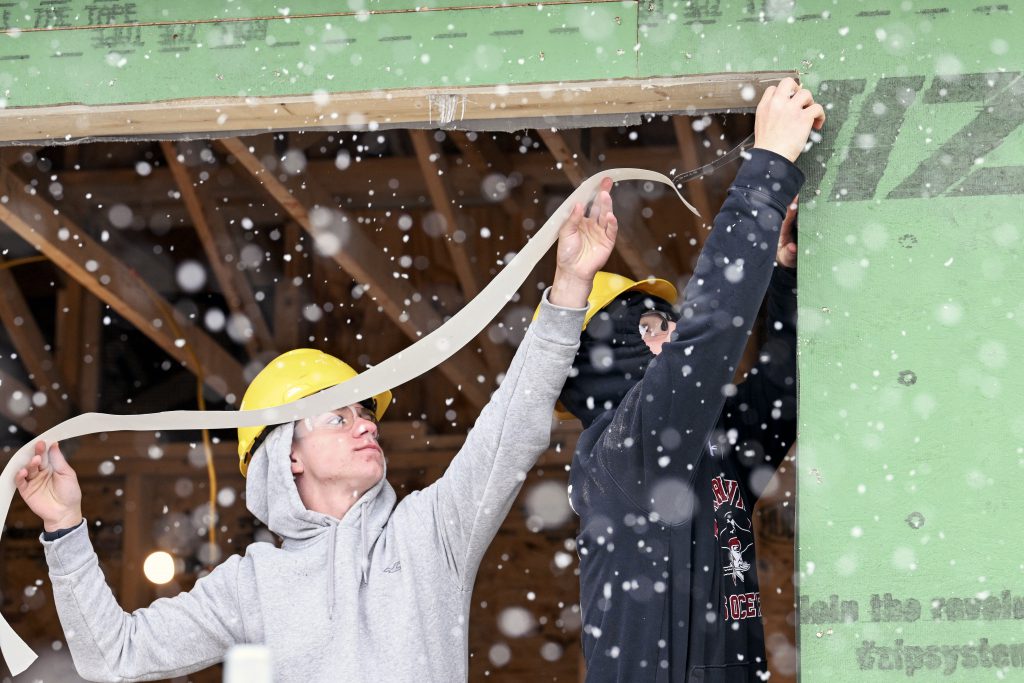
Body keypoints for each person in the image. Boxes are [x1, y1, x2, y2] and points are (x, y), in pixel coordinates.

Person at [15, 179, 621, 682]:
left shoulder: (430, 534)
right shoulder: (255, 584)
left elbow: (511, 426)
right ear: (289, 457)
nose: (365, 426)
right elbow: (110, 656)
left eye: (364, 414)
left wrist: (569, 287)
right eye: (340, 416)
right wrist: (64, 527)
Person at [562, 77, 823, 681]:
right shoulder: (623, 451)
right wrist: (768, 167)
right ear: (598, 363)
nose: (673, 334)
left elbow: (784, 392)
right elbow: (709, 332)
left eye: (669, 322)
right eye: (652, 325)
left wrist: (784, 278)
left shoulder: (709, 447)